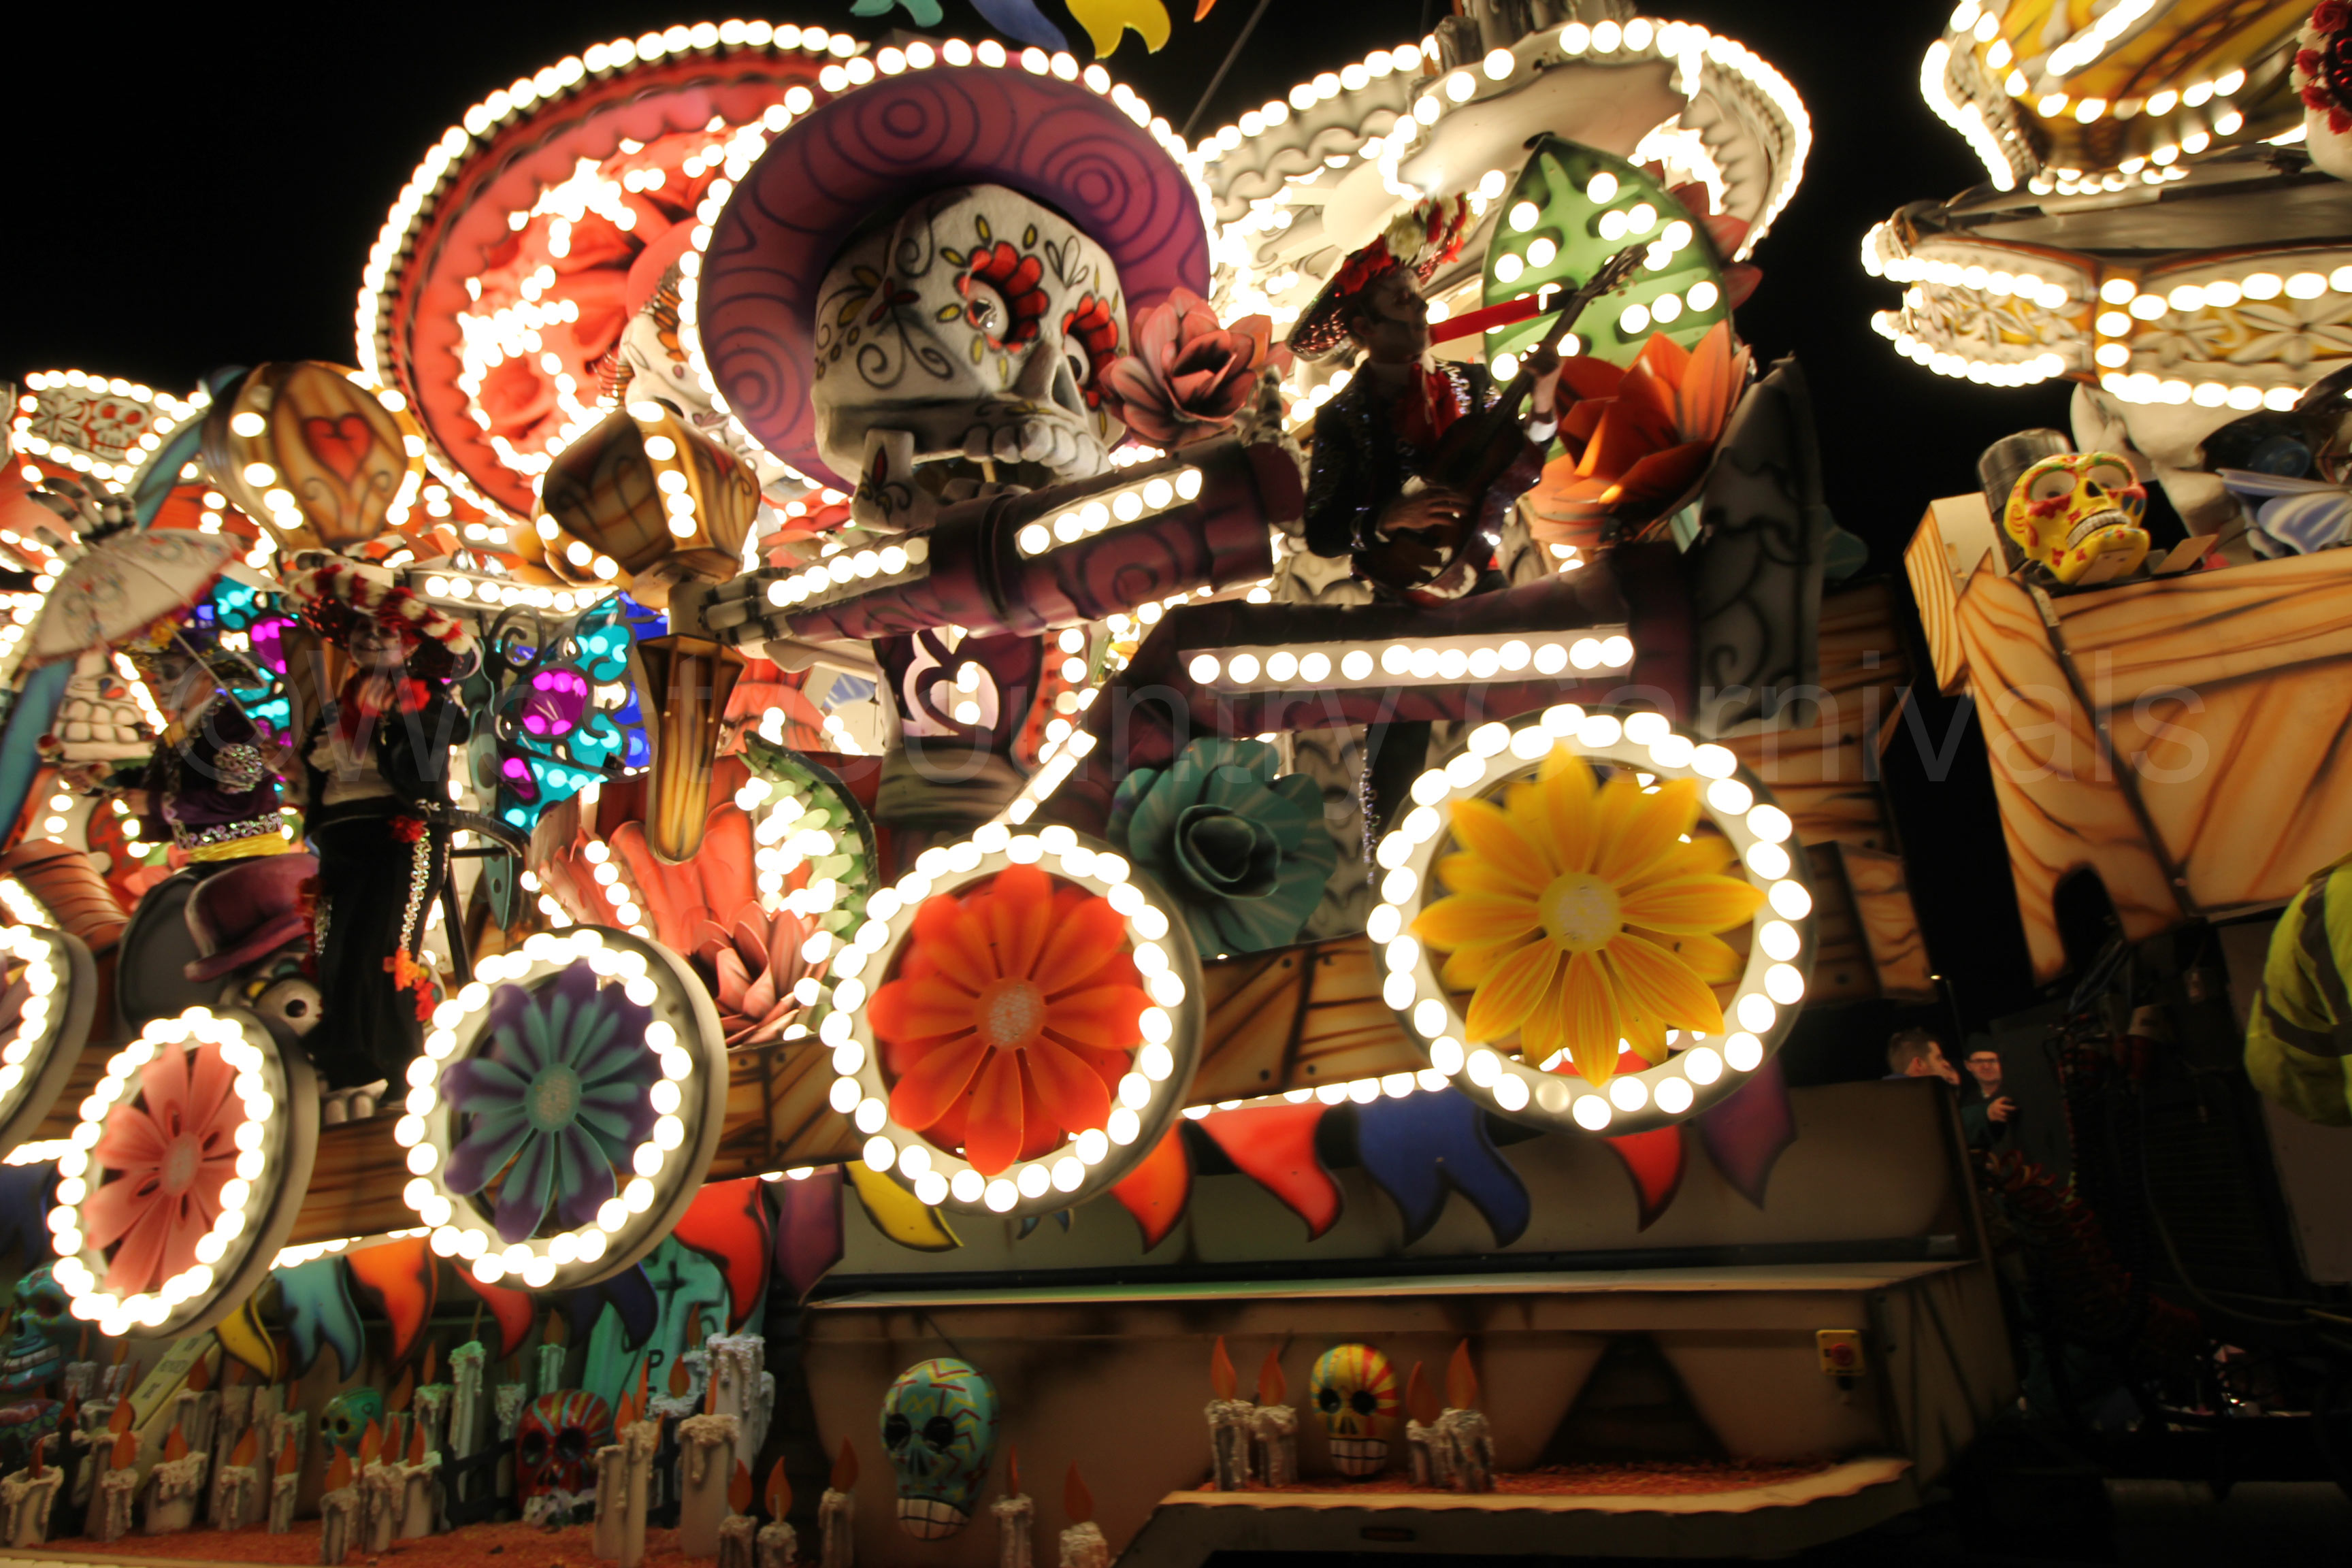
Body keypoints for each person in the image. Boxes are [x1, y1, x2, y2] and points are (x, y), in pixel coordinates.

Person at [1291, 194, 1564, 601]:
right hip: (1399, 588)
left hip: (1481, 573)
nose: (1422, 305)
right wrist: (1385, 519)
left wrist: (1543, 397)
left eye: (1418, 294)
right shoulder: (1340, 415)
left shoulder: (1471, 380)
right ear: (1365, 327)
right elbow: (1322, 534)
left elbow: (1521, 462)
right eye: (1403, 299)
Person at [287, 559, 475, 1090]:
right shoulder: (334, 710)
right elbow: (315, 776)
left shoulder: (428, 698)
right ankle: (344, 1062)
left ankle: (395, 1065)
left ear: (409, 645)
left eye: (385, 632)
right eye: (363, 630)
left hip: (400, 838)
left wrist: (393, 715)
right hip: (340, 839)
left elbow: (447, 740)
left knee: (386, 951)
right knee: (333, 951)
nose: (371, 639)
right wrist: (296, 778)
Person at [57, 618, 294, 873]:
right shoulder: (185, 728)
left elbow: (240, 800)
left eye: (171, 674)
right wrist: (103, 779)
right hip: (207, 862)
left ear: (205, 675)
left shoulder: (232, 728)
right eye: (158, 678)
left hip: (249, 863)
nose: (161, 685)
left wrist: (157, 804)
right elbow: (160, 779)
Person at [1960, 1045, 2018, 1151]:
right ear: (1968, 1065)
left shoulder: (2017, 1094)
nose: (1986, 1066)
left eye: (1992, 1061)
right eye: (1979, 1061)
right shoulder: (1967, 1102)